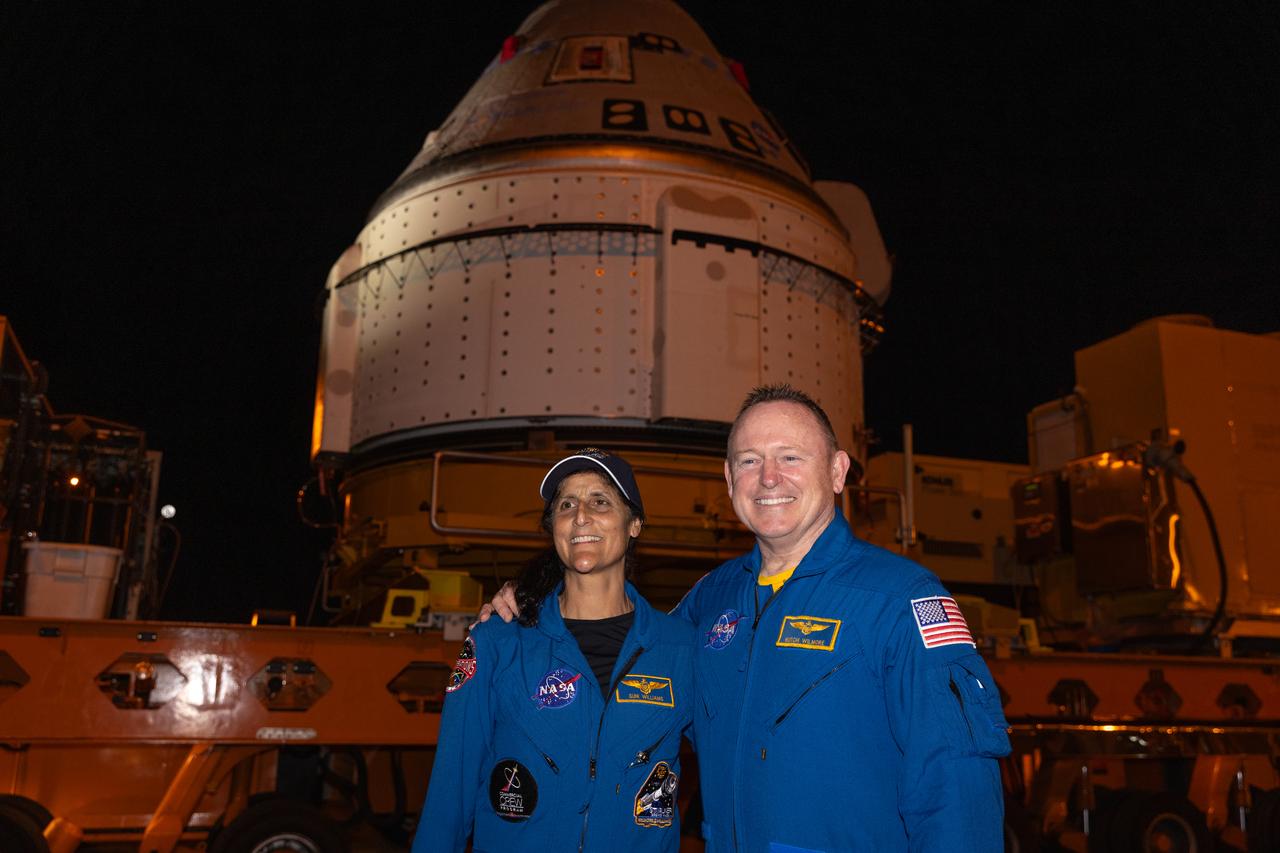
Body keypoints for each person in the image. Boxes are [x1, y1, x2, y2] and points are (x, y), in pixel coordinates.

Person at [482, 386, 1011, 852]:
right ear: (730, 478)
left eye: (790, 457)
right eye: (750, 461)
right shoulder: (711, 600)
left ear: (837, 471)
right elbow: (630, 675)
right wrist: (530, 605)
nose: (769, 478)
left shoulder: (899, 601)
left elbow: (956, 788)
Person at [414, 448, 694, 852]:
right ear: (553, 528)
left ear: (634, 525)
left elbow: (735, 758)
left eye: (600, 501)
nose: (581, 515)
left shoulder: (681, 649)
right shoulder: (497, 643)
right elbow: (449, 791)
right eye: (566, 504)